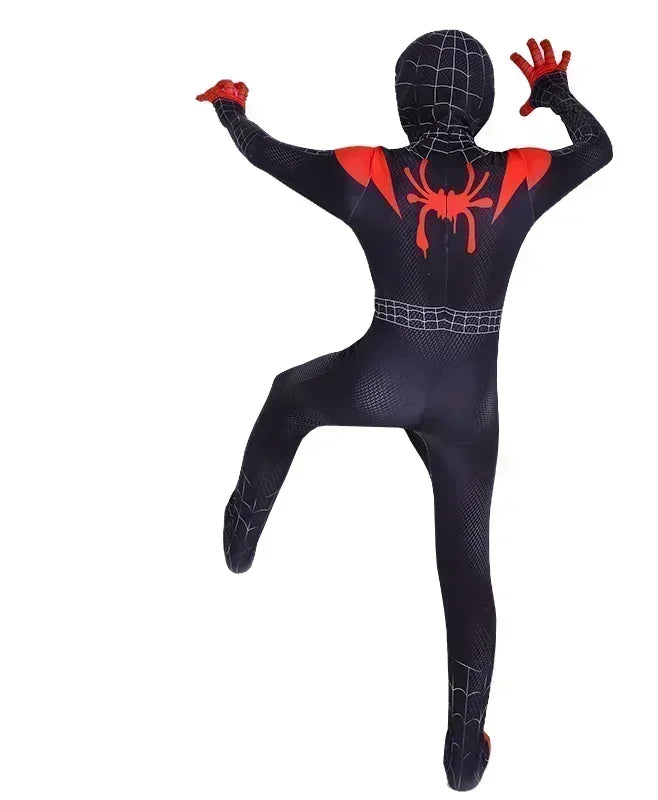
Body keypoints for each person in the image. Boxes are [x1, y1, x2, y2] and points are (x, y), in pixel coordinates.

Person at [197, 30, 612, 791]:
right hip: (469, 405)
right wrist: (556, 95)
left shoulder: (372, 170)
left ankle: (241, 533)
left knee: (291, 397)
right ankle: (464, 746)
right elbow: (597, 150)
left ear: (402, 100)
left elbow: (267, 155)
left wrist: (232, 112)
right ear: (484, 104)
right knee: (466, 562)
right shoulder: (520, 175)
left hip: (381, 378)